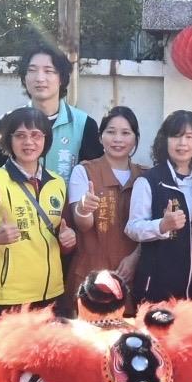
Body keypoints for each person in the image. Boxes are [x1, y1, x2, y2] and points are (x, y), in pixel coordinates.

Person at [0, 107, 76, 319]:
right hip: (10, 297)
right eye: (20, 135)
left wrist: (68, 240)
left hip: (52, 292)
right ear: (9, 140)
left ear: (46, 139)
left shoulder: (57, 183)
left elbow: (63, 239)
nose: (28, 142)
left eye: (36, 135)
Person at [126, 110, 192, 303]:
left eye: (189, 137)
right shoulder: (149, 180)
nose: (182, 143)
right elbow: (132, 228)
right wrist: (162, 226)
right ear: (164, 140)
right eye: (176, 136)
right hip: (156, 290)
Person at [0, 44, 101, 181]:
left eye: (48, 71)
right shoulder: (8, 122)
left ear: (61, 78)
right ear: (24, 78)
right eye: (32, 70)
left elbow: (94, 175)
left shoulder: (84, 124)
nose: (40, 78)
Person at [67, 106, 147, 290]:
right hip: (90, 276)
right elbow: (83, 225)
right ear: (100, 137)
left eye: (125, 133)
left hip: (131, 276)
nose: (118, 139)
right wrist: (84, 209)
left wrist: (135, 258)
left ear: (135, 139)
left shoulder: (145, 176)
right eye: (111, 132)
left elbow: (151, 230)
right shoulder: (84, 171)